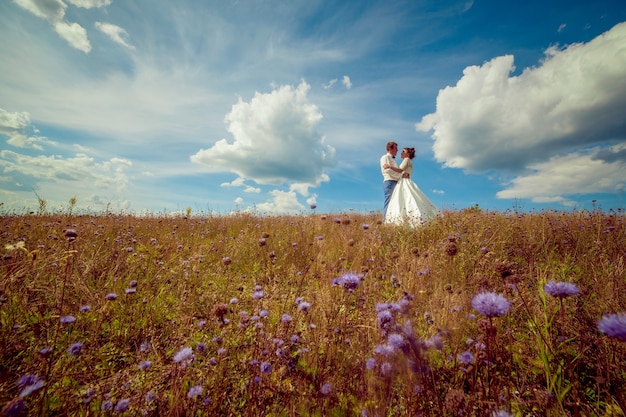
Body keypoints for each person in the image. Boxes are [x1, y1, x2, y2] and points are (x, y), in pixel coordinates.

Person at [383, 147, 439, 227]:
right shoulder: (406, 160)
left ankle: (410, 219)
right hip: (402, 181)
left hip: (404, 182)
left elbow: (400, 169)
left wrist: (390, 166)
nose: (401, 152)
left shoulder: (407, 159)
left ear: (408, 154)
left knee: (407, 199)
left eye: (403, 151)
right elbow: (402, 171)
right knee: (404, 200)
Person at [380, 141, 403, 218]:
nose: (397, 150)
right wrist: (400, 176)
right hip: (390, 182)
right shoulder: (385, 157)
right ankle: (384, 221)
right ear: (390, 148)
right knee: (389, 202)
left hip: (395, 182)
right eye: (396, 148)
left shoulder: (392, 159)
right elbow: (387, 170)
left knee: (394, 202)